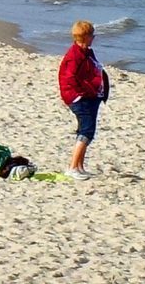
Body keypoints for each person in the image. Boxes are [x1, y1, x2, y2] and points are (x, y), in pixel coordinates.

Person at [58, 20, 109, 181]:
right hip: (80, 98)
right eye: (92, 35)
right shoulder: (74, 55)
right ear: (85, 36)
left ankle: (79, 167)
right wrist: (84, 92)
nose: (94, 38)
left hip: (91, 97)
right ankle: (73, 167)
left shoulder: (86, 52)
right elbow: (70, 78)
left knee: (87, 130)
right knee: (86, 131)